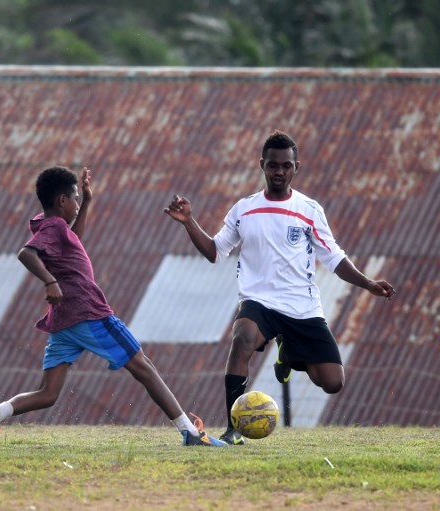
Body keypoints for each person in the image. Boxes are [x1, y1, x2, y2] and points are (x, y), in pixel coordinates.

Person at [0, 166, 226, 450]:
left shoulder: (52, 225)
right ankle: (189, 432)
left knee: (48, 392)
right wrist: (50, 281)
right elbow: (25, 253)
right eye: (76, 198)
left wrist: (88, 202)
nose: (78, 204)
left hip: (64, 321)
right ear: (62, 201)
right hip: (88, 312)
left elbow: (72, 240)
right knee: (144, 367)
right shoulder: (53, 226)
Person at [164, 130, 395, 445]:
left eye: (286, 165)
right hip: (259, 302)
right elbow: (216, 252)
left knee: (333, 382)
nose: (279, 171)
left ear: (296, 167)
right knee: (242, 336)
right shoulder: (244, 209)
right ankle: (233, 428)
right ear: (262, 164)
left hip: (302, 306)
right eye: (273, 165)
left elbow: (335, 258)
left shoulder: (309, 210)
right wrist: (189, 221)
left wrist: (367, 283)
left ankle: (288, 351)